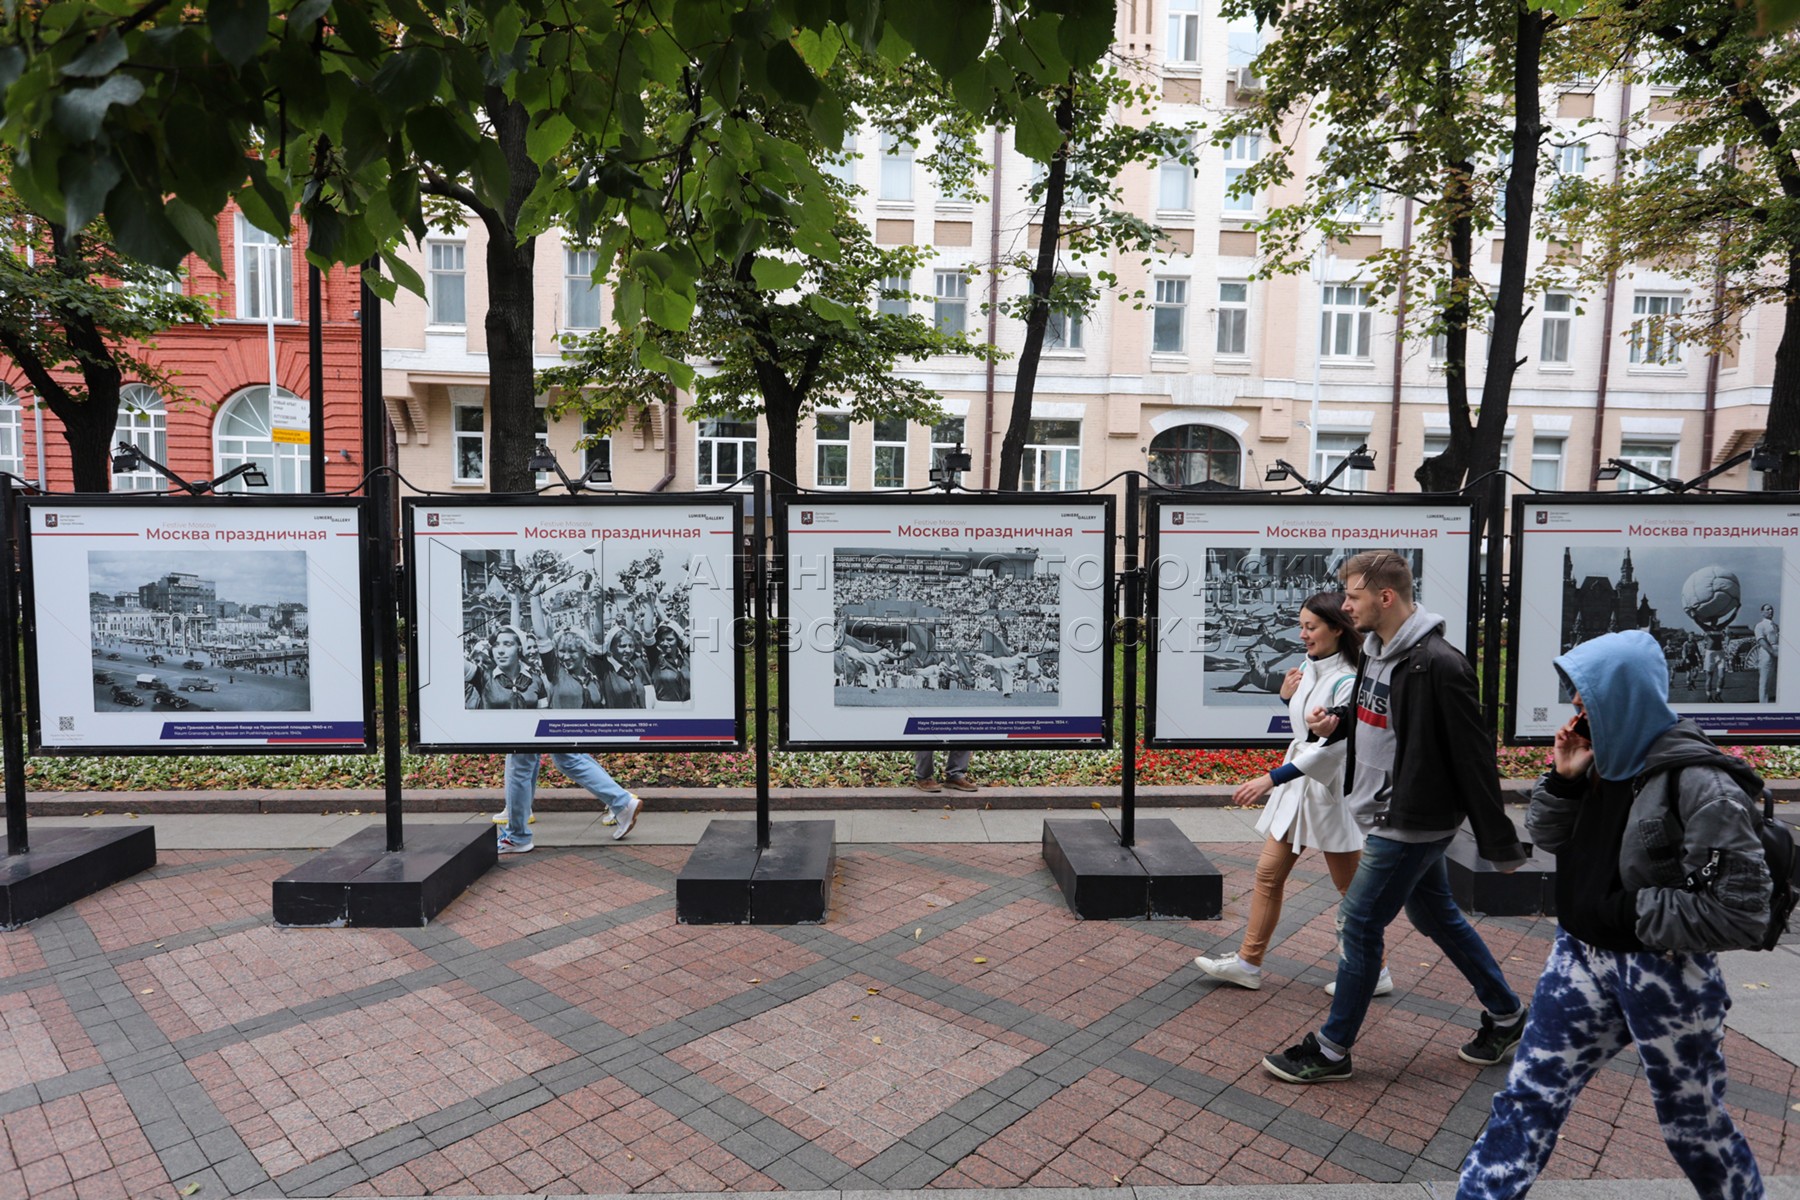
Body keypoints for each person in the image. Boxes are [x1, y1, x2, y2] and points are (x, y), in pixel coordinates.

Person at [1457, 630, 1767, 1199]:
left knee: (1692, 1126)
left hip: (1664, 973)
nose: (1576, 703)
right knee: (1528, 1097)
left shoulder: (1701, 782)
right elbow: (1547, 836)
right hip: (1580, 957)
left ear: (1625, 693)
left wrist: (1624, 911)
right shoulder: (1600, 755)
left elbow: (1742, 911)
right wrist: (1563, 778)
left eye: (1587, 691)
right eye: (1577, 690)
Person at [1263, 550, 1529, 1085]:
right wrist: (1335, 723)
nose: (1345, 605)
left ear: (1386, 597)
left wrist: (1499, 844)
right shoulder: (1379, 651)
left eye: (1353, 596)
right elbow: (1375, 718)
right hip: (1387, 809)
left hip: (1408, 818)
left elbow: (1473, 758)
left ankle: (1332, 1050)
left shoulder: (1440, 665)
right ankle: (1508, 1015)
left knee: (1358, 923)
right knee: (1436, 918)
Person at [1194, 593, 1380, 991]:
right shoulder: (1310, 670)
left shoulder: (1349, 679)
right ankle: (1248, 962)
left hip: (1330, 794)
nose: (1302, 634)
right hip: (1301, 790)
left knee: (1351, 889)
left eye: (1311, 627)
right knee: (1266, 875)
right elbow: (1308, 728)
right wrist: (1287, 696)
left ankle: (1373, 972)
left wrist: (1270, 779)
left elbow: (1334, 748)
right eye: (1301, 626)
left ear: (1336, 628)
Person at [497, 753, 642, 854]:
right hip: (552, 709)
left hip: (531, 710)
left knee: (520, 761)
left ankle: (517, 836)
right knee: (568, 757)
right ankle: (621, 801)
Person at [1755, 603, 1779, 703]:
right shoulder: (1760, 625)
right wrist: (1772, 652)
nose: (1771, 611)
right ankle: (1763, 705)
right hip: (1767, 653)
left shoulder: (1776, 625)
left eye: (1771, 609)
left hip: (1778, 651)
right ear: (1762, 612)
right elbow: (1761, 640)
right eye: (1768, 609)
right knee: (1764, 682)